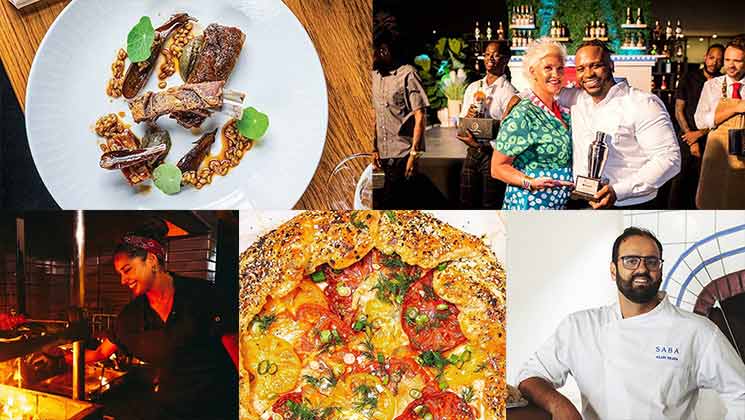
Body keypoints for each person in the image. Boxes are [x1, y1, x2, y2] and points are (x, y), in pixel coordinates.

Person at [516, 227, 745, 420]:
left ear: (661, 270)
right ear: (613, 270)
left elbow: (741, 394)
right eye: (631, 261)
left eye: (651, 262)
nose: (642, 269)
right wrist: (560, 406)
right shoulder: (580, 326)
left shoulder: (697, 331)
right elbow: (530, 375)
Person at [69, 219, 238, 420]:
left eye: (127, 270)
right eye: (119, 274)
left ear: (151, 260)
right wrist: (63, 356)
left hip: (216, 407)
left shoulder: (202, 295)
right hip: (169, 408)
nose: (123, 281)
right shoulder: (130, 316)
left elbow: (236, 348)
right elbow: (101, 352)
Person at [560, 40, 680, 209]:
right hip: (581, 201)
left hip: (628, 204)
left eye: (595, 65)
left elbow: (669, 159)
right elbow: (540, 90)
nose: (588, 74)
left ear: (611, 65)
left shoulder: (642, 103)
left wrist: (618, 191)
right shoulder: (576, 99)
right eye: (581, 69)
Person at [490, 37, 574, 210]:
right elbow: (497, 168)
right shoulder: (524, 113)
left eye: (560, 69)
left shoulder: (561, 110)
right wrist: (530, 183)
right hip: (530, 203)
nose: (555, 75)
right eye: (548, 68)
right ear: (533, 71)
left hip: (557, 204)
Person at [372, 12, 429, 209]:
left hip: (402, 156)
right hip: (380, 157)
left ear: (383, 50)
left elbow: (420, 117)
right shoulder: (373, 76)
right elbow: (373, 116)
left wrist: (414, 155)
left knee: (400, 208)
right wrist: (372, 149)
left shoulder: (407, 74)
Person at [455, 40, 517, 209]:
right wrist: (468, 119)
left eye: (496, 55)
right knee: (466, 202)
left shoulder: (509, 92)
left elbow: (510, 132)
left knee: (490, 205)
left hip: (494, 155)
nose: (491, 58)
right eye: (488, 54)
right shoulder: (473, 87)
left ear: (506, 60)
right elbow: (461, 126)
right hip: (472, 152)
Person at [669, 44, 724, 209]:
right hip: (686, 137)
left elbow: (720, 116)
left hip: (710, 137)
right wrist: (691, 138)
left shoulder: (722, 83)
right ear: (705, 57)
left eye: (720, 60)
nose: (714, 62)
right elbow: (679, 110)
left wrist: (699, 134)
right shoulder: (689, 78)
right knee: (679, 182)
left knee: (705, 183)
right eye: (712, 57)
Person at [694, 37, 745, 209]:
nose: (731, 65)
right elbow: (700, 121)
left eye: (737, 61)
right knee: (712, 200)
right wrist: (735, 108)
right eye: (727, 60)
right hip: (718, 155)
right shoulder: (712, 86)